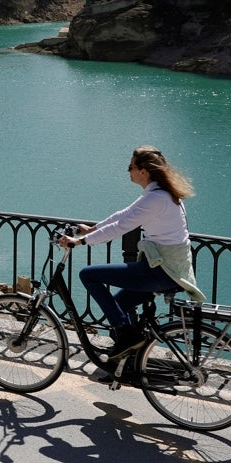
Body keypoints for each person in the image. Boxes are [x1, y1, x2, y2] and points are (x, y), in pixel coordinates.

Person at [58, 146, 205, 358]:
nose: (128, 171)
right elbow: (124, 214)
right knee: (118, 307)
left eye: (131, 167)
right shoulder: (160, 194)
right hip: (169, 270)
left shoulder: (156, 199)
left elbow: (121, 226)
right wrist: (92, 229)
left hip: (160, 272)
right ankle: (129, 358)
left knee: (88, 275)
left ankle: (128, 339)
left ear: (143, 171)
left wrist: (79, 242)